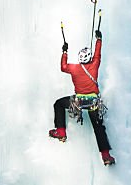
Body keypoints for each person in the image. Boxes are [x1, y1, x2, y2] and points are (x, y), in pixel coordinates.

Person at [49, 29, 115, 166]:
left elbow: (63, 67)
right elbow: (98, 54)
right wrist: (99, 39)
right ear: (89, 58)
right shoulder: (95, 65)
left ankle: (60, 132)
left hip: (78, 102)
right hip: (93, 103)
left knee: (59, 104)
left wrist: (65, 52)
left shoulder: (73, 68)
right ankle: (106, 156)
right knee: (98, 128)